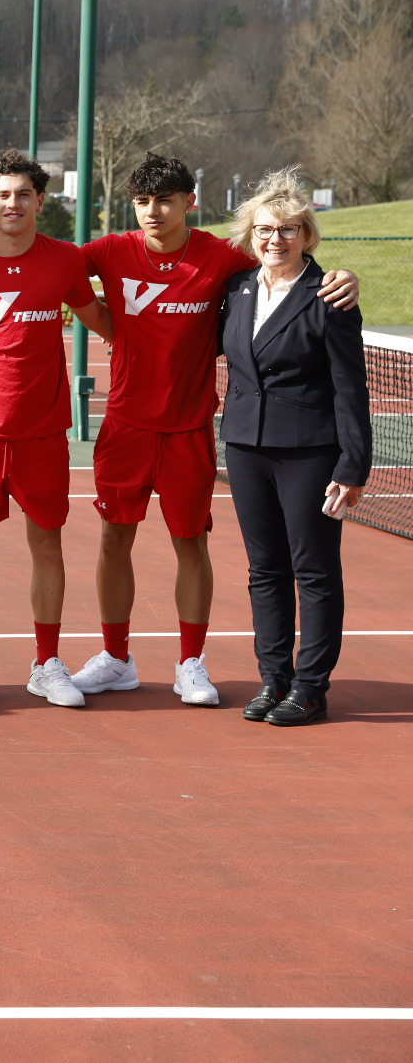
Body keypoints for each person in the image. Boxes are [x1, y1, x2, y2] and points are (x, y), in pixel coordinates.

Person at [71, 152, 356, 708]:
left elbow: (287, 265)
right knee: (114, 540)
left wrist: (343, 275)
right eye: (143, 201)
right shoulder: (107, 252)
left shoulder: (223, 259)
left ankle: (190, 663)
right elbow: (46, 267)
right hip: (125, 425)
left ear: (188, 203)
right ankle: (115, 659)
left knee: (190, 544)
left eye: (165, 200)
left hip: (190, 429)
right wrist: (107, 325)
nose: (153, 212)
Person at [0, 150, 113, 709]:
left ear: (39, 201)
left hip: (43, 434)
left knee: (47, 545)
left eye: (24, 194)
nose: (14, 203)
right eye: (3, 195)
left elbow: (101, 319)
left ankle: (46, 663)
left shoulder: (63, 261)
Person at [220, 170, 369, 727]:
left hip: (310, 451)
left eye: (286, 230)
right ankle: (274, 679)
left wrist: (352, 466)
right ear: (250, 235)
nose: (273, 240)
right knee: (264, 569)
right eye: (263, 230)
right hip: (245, 448)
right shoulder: (235, 291)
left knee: (314, 571)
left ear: (306, 235)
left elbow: (351, 387)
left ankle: (310, 687)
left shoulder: (329, 294)